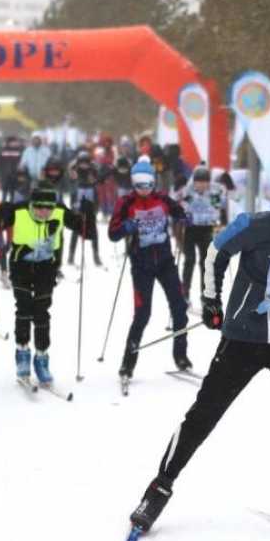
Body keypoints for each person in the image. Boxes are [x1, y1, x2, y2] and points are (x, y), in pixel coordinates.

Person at [126, 157, 270, 533]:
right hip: (245, 335)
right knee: (203, 415)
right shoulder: (258, 225)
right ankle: (158, 489)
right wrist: (212, 300)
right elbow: (216, 252)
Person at [0, 182, 83, 386]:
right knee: (23, 309)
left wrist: (86, 215)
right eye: (39, 207)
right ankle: (22, 355)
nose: (44, 212)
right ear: (32, 204)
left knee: (41, 312)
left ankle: (41, 358)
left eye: (48, 208)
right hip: (21, 267)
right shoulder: (18, 211)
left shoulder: (59, 211)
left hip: (46, 269)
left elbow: (85, 231)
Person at [108, 159, 191, 383]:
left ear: (153, 183)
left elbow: (179, 212)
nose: (143, 190)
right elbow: (112, 233)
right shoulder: (125, 202)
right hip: (141, 265)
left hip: (165, 261)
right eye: (138, 185)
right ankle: (127, 364)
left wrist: (184, 216)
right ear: (133, 184)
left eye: (147, 185)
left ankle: (181, 356)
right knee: (143, 314)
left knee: (179, 307)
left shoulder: (162, 198)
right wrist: (125, 227)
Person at [176, 164, 227, 305]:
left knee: (205, 263)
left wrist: (217, 219)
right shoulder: (189, 192)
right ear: (194, 181)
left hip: (206, 229)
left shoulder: (213, 194)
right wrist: (183, 218)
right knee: (189, 261)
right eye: (199, 182)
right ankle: (184, 293)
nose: (202, 185)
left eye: (205, 182)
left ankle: (205, 295)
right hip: (190, 230)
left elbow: (217, 210)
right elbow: (180, 208)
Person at [68, 148, 103, 266]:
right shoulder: (74, 169)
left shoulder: (93, 170)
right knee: (75, 231)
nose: (84, 166)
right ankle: (71, 256)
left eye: (86, 163)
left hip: (90, 202)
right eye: (81, 163)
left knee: (94, 232)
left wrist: (96, 209)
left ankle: (96, 255)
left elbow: (98, 185)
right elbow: (71, 189)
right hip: (78, 201)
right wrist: (73, 208)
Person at [0, 134, 25, 202]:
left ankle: (12, 207)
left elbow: (22, 163)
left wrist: (21, 175)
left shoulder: (19, 150)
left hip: (15, 175)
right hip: (5, 175)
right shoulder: (2, 150)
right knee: (4, 193)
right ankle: (3, 207)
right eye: (14, 142)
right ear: (9, 142)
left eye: (16, 142)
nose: (15, 143)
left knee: (13, 193)